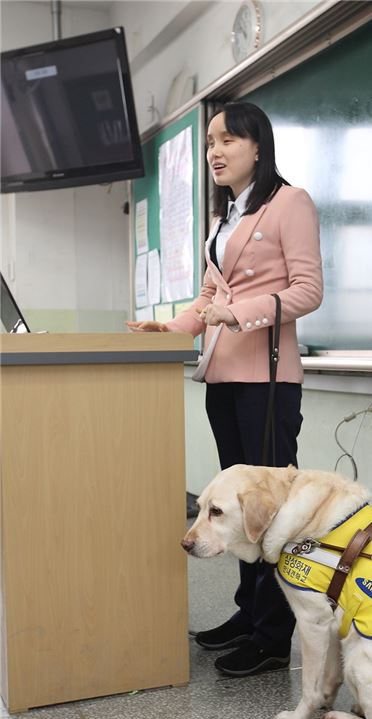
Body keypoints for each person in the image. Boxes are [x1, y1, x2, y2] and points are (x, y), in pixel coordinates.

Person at [127, 101, 323, 677]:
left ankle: (272, 635)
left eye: (227, 141)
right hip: (223, 378)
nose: (214, 151)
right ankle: (247, 615)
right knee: (238, 514)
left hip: (267, 378)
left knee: (272, 512)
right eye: (210, 141)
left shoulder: (291, 203)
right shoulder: (227, 217)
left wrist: (242, 316)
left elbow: (309, 290)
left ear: (257, 147)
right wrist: (171, 327)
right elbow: (209, 296)